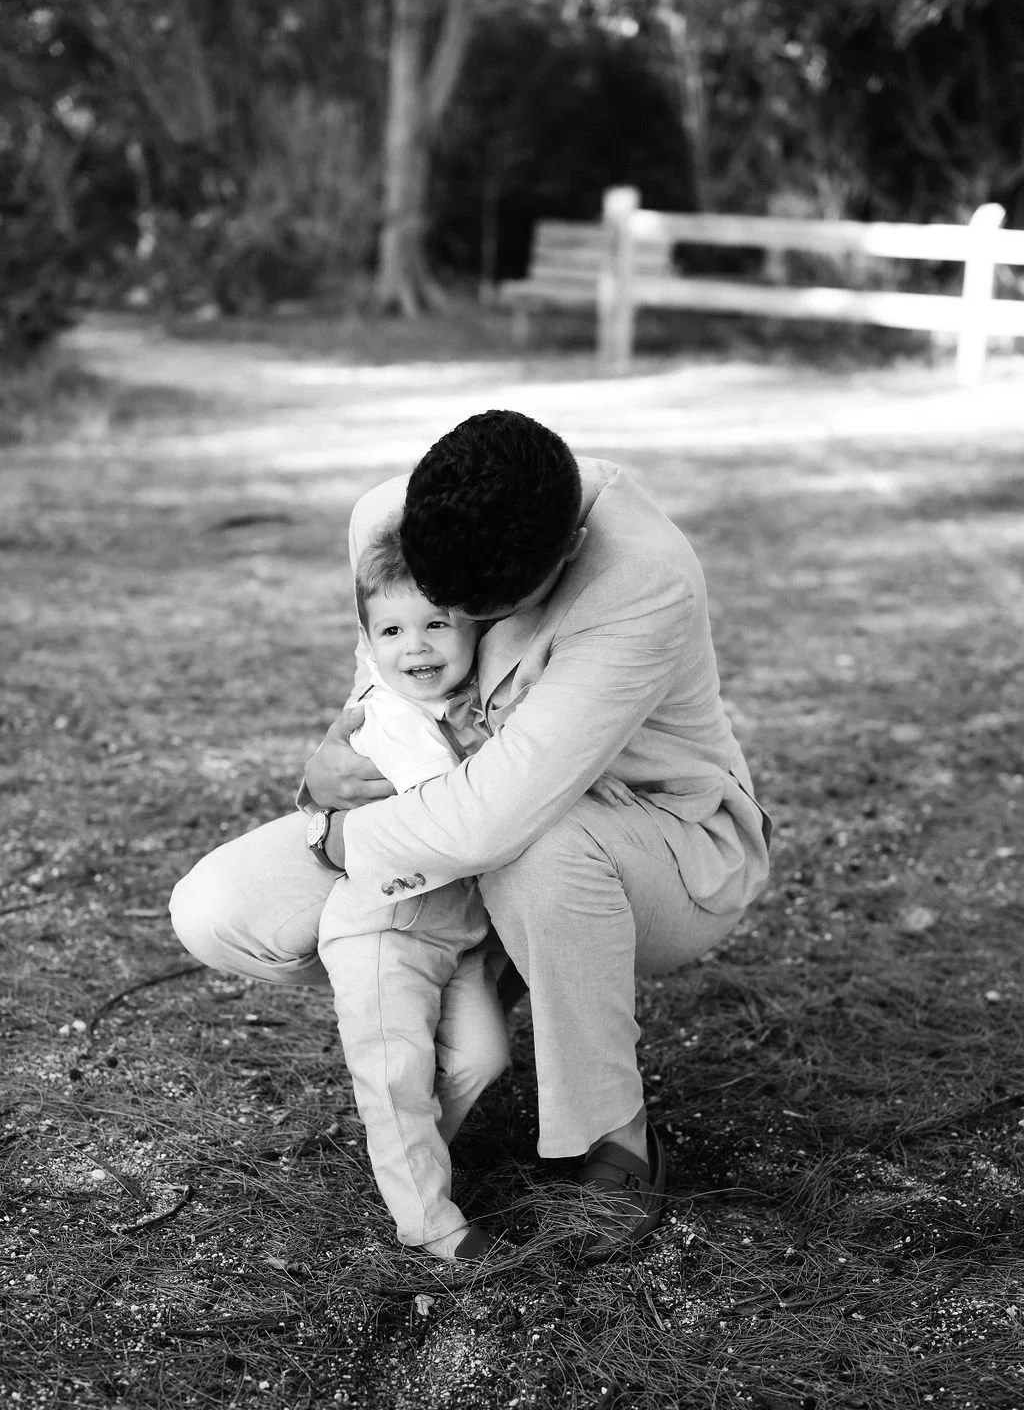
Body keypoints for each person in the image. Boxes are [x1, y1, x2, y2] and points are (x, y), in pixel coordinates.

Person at [170, 408, 772, 1263]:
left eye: (471, 614)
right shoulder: (383, 520)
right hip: (448, 818)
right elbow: (380, 699)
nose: (444, 623)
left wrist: (339, 839)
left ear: (561, 557)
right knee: (215, 908)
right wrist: (323, 778)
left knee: (545, 852)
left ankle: (619, 1134)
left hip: (651, 843)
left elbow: (502, 810)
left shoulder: (643, 578)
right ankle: (459, 985)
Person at [315, 521, 510, 1261]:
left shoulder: (475, 701)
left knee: (481, 1057)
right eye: (392, 630)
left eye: (436, 623)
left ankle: (401, 1147)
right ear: (369, 642)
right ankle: (429, 1221)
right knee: (396, 1073)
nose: (416, 646)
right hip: (382, 925)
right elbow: (449, 812)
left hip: (452, 930)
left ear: (473, 627)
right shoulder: (382, 716)